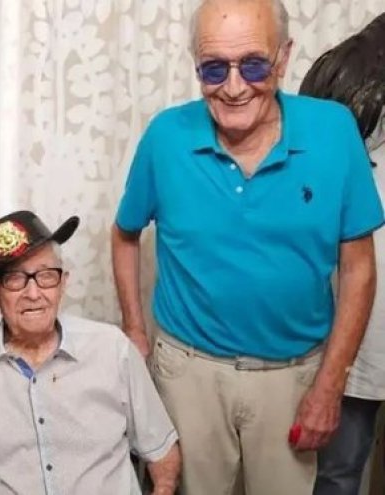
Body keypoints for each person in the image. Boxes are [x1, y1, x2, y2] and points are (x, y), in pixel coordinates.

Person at [111, 0, 384, 493]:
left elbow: (359, 268)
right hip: (187, 374)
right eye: (214, 68)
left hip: (294, 375)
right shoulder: (166, 136)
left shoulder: (334, 130)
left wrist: (331, 383)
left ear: (284, 57)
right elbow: (125, 233)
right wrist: (134, 329)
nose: (234, 87)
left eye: (253, 65)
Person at [0, 210, 181, 494]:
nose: (33, 294)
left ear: (63, 283)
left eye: (46, 276)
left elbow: (162, 453)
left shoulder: (113, 349)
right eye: (15, 279)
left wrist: (164, 488)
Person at [298, 12, 385, 495]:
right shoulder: (344, 82)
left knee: (338, 470)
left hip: (354, 323)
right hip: (352, 326)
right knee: (338, 468)